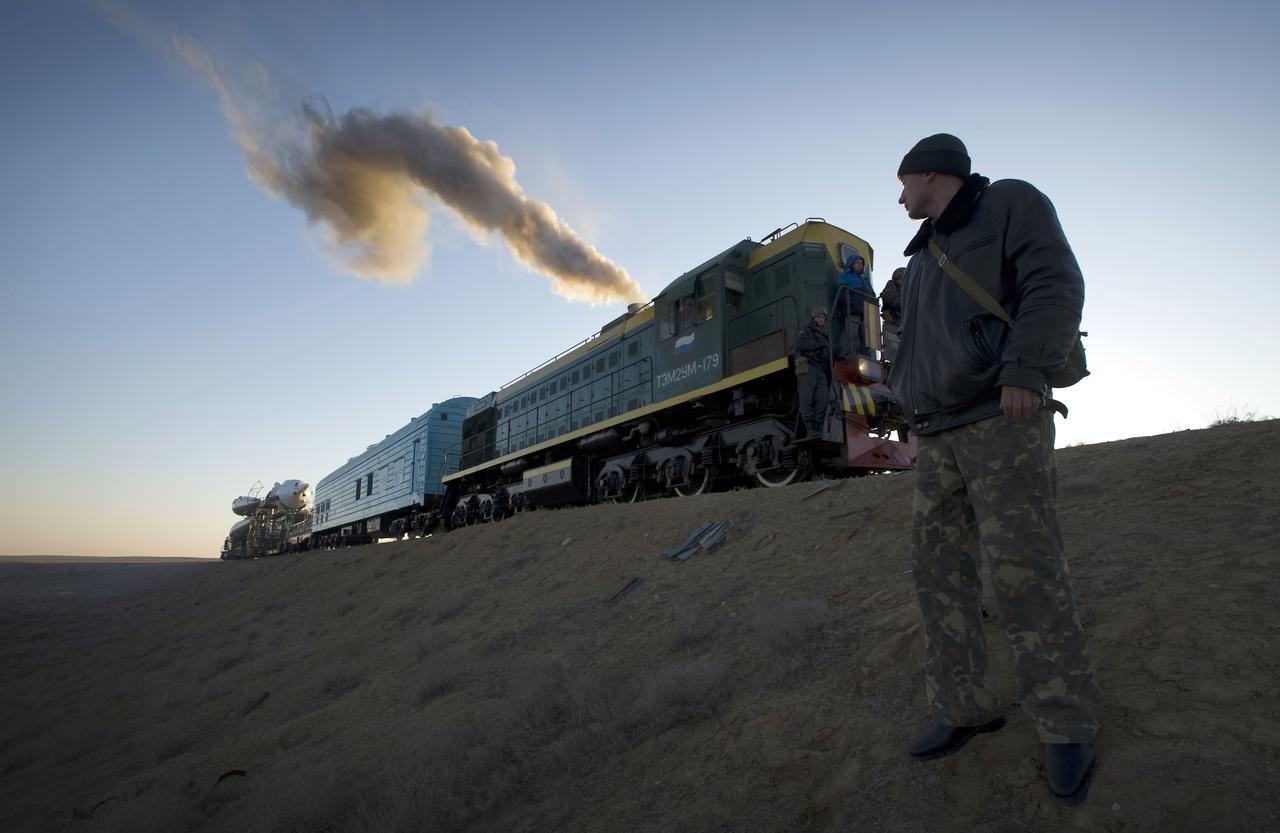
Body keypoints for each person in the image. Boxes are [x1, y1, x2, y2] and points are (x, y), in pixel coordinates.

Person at [888, 133, 1102, 802]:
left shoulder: (1010, 203)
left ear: (931, 173)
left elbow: (1055, 281)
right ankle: (966, 707)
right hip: (939, 434)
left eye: (903, 183)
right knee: (938, 573)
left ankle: (1067, 724)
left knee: (1024, 572)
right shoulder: (921, 259)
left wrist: (1028, 367)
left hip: (1002, 417)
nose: (899, 197)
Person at [793, 307, 832, 438]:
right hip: (807, 365)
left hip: (821, 369)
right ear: (813, 318)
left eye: (823, 317)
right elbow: (800, 344)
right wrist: (816, 345)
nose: (820, 319)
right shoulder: (805, 331)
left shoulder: (825, 336)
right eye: (818, 317)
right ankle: (810, 428)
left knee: (822, 398)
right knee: (806, 397)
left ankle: (819, 428)